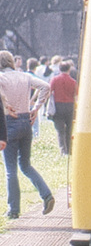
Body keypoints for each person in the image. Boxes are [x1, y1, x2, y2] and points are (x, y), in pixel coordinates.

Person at [0, 50, 55, 219]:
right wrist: (36, 107)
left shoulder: (1, 78)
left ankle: (14, 209)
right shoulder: (24, 76)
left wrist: (7, 104)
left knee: (11, 170)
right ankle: (46, 195)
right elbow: (45, 86)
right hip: (26, 122)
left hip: (9, 122)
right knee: (25, 165)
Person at [49, 60, 78, 155]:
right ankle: (69, 150)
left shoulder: (55, 79)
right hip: (70, 106)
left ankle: (63, 150)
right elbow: (76, 96)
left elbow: (49, 91)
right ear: (69, 70)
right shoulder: (73, 82)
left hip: (58, 106)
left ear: (59, 69)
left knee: (60, 130)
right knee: (69, 129)